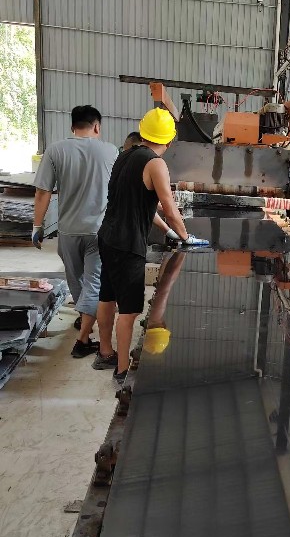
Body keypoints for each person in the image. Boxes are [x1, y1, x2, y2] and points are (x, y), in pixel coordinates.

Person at [93, 108, 208, 386]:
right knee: (129, 310)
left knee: (107, 297)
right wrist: (186, 237)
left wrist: (169, 231)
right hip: (127, 244)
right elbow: (168, 206)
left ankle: (105, 353)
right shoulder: (156, 164)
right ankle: (122, 370)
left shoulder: (125, 156)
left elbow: (142, 205)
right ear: (169, 140)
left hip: (107, 237)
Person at [33, 105, 118, 358]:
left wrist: (37, 226)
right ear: (97, 126)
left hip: (68, 231)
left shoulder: (55, 150)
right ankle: (82, 340)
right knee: (94, 283)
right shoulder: (110, 151)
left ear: (72, 127)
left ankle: (85, 323)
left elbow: (42, 192)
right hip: (99, 231)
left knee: (76, 280)